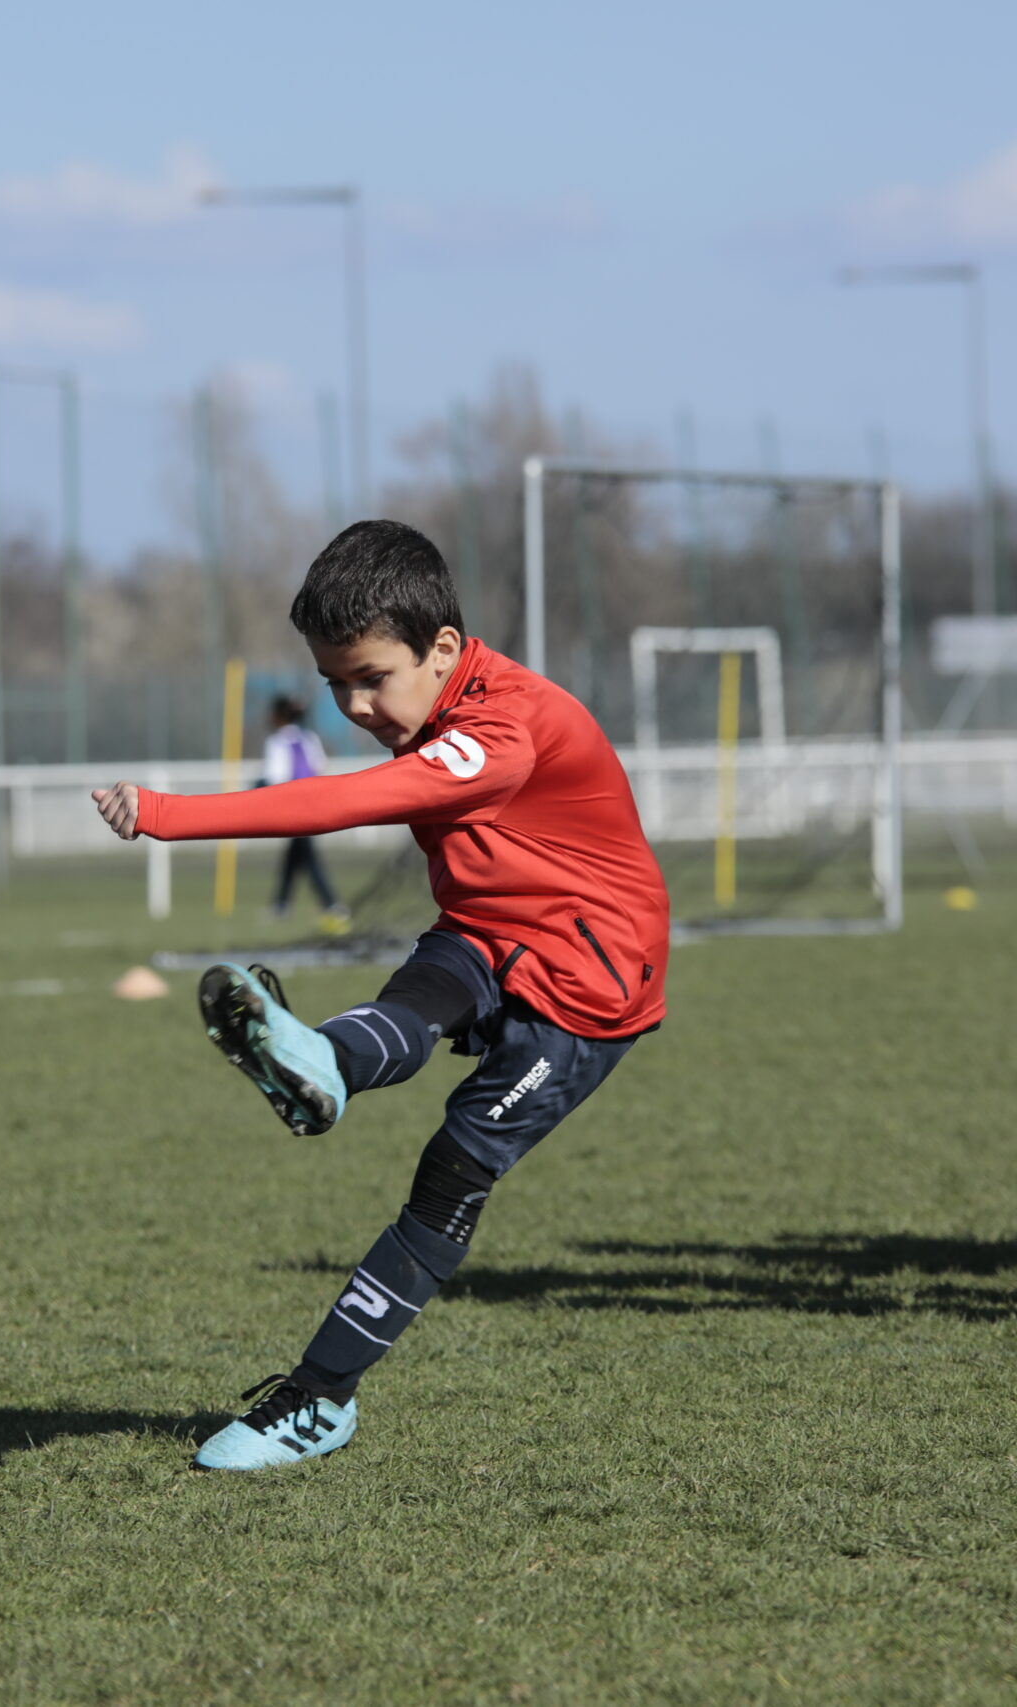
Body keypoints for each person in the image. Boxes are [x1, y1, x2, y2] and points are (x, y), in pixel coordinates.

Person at [91, 520, 668, 1469]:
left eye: (370, 678)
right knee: (418, 997)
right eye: (334, 685)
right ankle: (319, 1059)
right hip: (486, 928)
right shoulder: (445, 691)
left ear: (442, 648)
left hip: (587, 983)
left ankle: (318, 1401)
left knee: (449, 1174)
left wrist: (166, 814)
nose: (353, 706)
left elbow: (344, 802)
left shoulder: (502, 730)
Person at [259, 693, 345, 926]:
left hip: (291, 805)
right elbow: (320, 767)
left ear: (277, 716)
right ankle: (281, 904)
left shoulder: (277, 742)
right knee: (296, 856)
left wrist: (257, 789)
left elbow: (275, 777)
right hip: (313, 803)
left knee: (307, 858)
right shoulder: (309, 738)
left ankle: (332, 904)